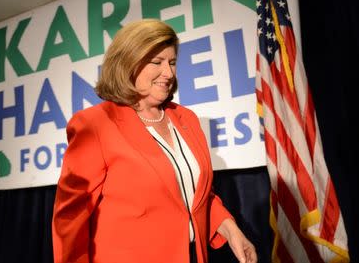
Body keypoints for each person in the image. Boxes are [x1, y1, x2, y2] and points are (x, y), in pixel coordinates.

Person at [52, 19, 257, 263]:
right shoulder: (94, 124)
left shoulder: (186, 119)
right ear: (128, 63)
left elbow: (196, 195)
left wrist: (230, 229)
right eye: (156, 62)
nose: (168, 73)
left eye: (172, 62)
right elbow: (71, 219)